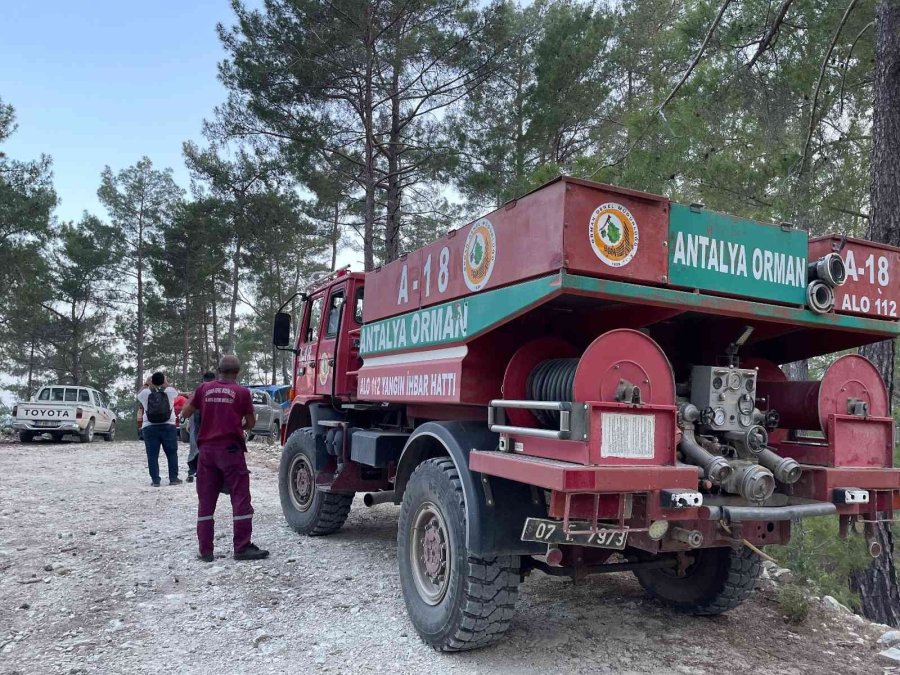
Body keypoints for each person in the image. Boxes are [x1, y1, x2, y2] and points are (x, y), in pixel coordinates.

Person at [182, 355, 269, 562]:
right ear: (238, 373)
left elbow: (186, 412)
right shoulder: (242, 392)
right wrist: (238, 425)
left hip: (206, 452)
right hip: (231, 450)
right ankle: (242, 547)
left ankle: (205, 551)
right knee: (240, 498)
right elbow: (250, 422)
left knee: (206, 500)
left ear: (218, 370)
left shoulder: (204, 389)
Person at [136, 372, 182, 487]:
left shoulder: (145, 393)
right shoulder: (170, 392)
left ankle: (156, 480)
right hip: (169, 426)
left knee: (152, 455)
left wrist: (146, 383)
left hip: (149, 427)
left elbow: (139, 394)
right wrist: (165, 382)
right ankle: (173, 478)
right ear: (163, 381)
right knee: (171, 453)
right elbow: (174, 390)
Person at [185, 371, 216, 482]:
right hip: (211, 424)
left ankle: (192, 471)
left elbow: (188, 408)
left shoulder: (198, 389)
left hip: (196, 420)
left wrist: (188, 421)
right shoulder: (216, 391)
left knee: (195, 446)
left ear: (203, 380)